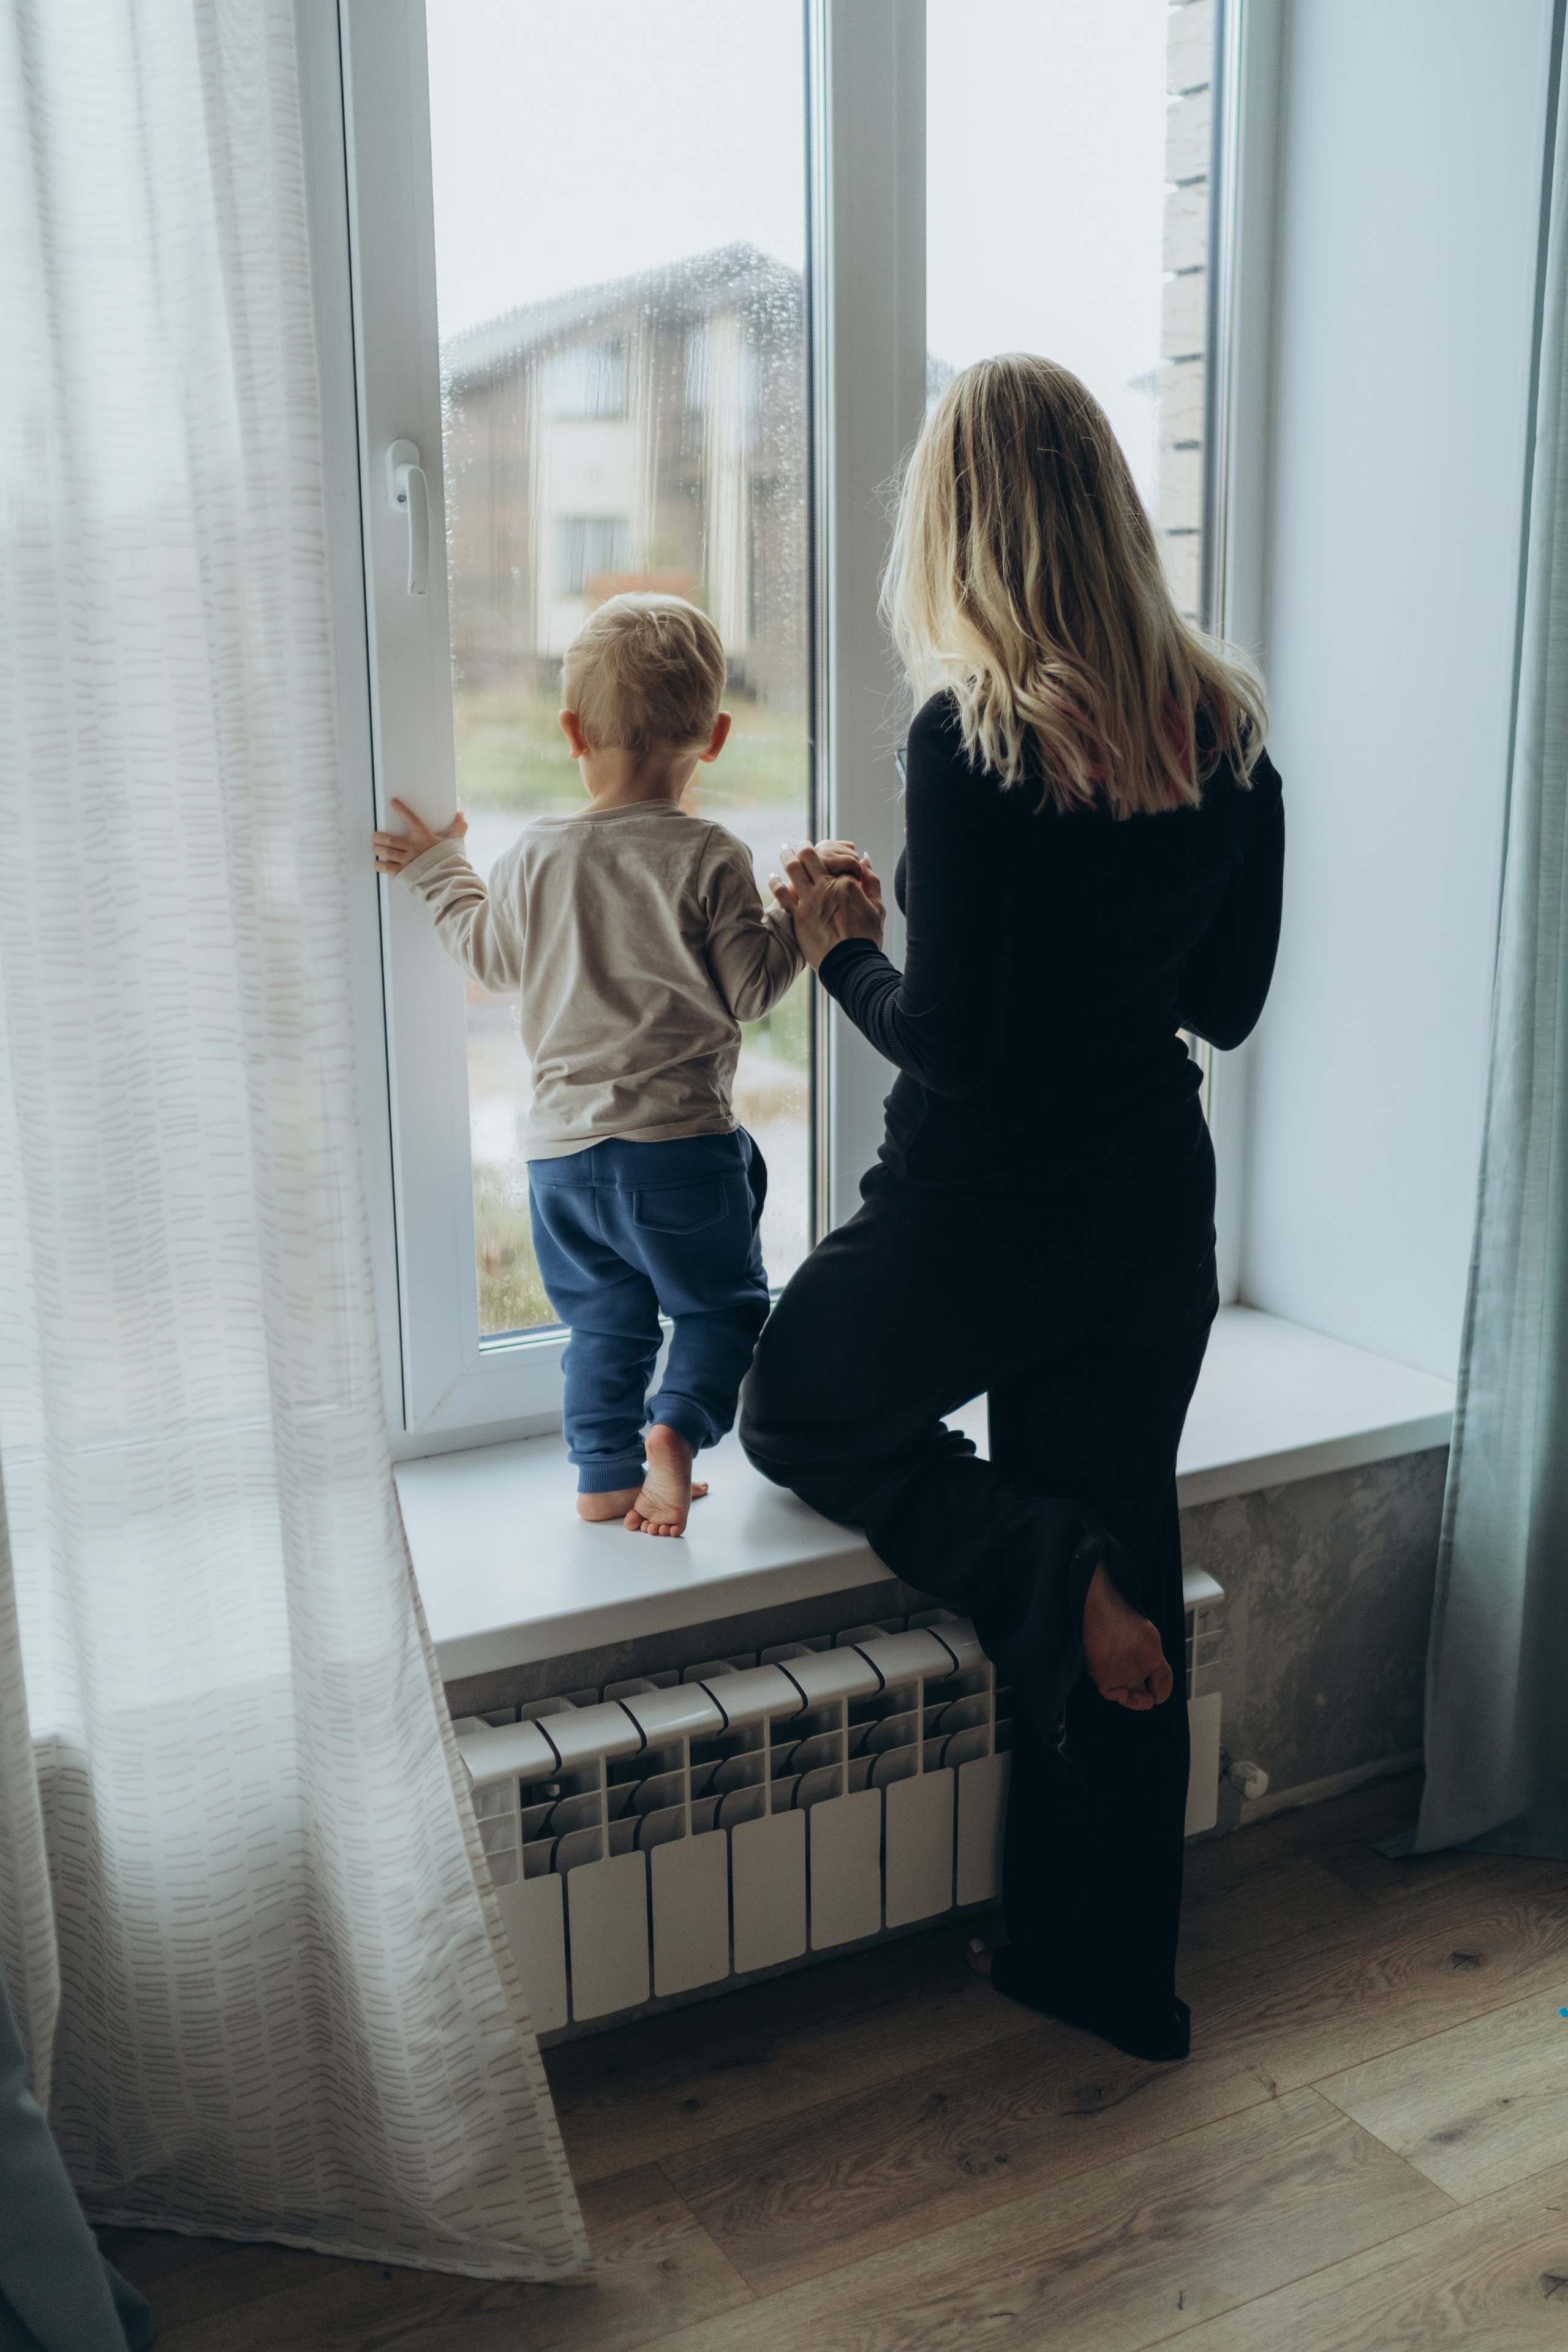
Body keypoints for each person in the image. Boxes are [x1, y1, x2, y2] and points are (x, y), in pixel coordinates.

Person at [743, 356, 1284, 2062]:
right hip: (1147, 1214)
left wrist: (845, 954)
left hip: (980, 1220)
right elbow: (1230, 1002)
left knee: (792, 1405)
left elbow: (962, 1052)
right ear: (1115, 516)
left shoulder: (969, 741)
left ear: (959, 529)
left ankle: (1046, 1566)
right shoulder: (1229, 731)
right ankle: (1108, 1981)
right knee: (1126, 1530)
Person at [374, 592, 864, 1536]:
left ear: (570, 732)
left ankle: (604, 1478)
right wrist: (799, 920)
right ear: (714, 737)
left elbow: (488, 955)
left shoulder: (534, 856)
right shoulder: (712, 856)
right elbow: (752, 990)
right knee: (722, 1310)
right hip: (677, 1153)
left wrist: (438, 867)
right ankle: (675, 1435)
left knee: (604, 1325)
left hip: (560, 1163)